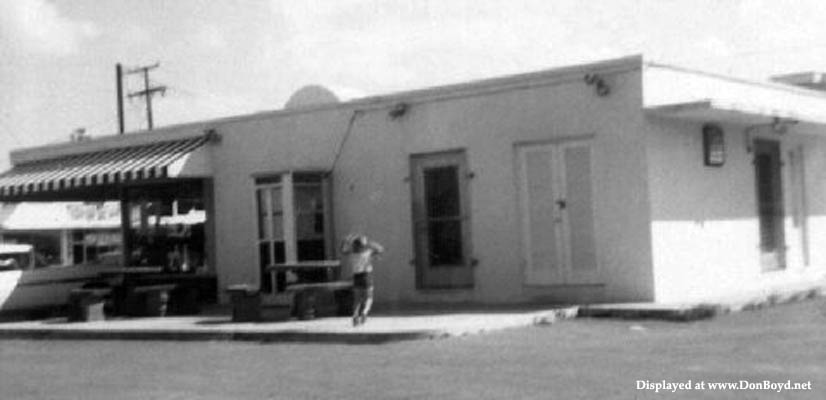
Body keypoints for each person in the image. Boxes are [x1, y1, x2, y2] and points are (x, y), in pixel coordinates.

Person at [340, 234, 384, 326]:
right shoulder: (367, 253)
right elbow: (380, 249)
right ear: (363, 245)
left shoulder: (352, 254)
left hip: (356, 277)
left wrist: (346, 241)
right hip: (366, 276)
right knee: (369, 298)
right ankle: (364, 312)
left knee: (357, 299)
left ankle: (355, 315)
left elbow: (343, 250)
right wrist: (369, 243)